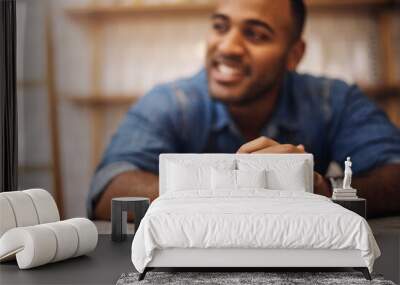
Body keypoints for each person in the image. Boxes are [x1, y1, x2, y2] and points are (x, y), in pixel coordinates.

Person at [87, 0, 400, 220]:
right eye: (220, 27)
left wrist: (320, 188)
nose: (226, 47)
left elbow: (395, 172)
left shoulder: (333, 99)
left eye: (255, 34)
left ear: (294, 54)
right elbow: (108, 187)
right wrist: (231, 185)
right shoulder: (170, 102)